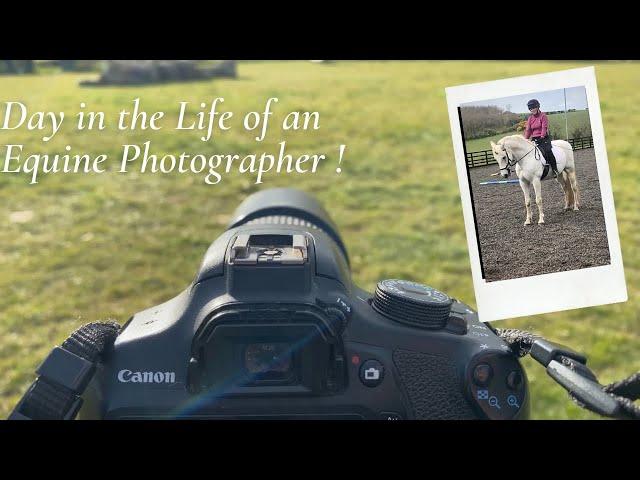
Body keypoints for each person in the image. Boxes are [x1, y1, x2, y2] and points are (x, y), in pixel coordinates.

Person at [523, 99, 558, 177]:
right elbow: (528, 130)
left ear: (537, 107)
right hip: (534, 139)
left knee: (548, 151)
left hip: (544, 138)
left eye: (534, 108)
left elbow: (544, 127)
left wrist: (542, 136)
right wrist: (525, 139)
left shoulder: (543, 116)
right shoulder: (530, 118)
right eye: (531, 108)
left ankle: (555, 169)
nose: (532, 110)